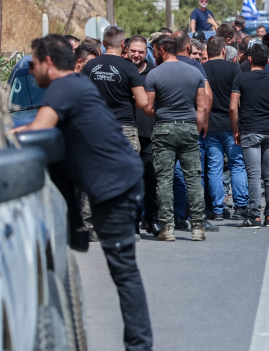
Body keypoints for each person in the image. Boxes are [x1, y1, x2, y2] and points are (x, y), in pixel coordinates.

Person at [13, 35, 153, 350]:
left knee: (124, 272)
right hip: (116, 181)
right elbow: (42, 132)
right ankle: (76, 225)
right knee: (58, 158)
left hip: (116, 187)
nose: (32, 71)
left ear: (48, 62)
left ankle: (140, 346)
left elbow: (37, 130)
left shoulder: (64, 87)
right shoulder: (73, 86)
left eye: (33, 64)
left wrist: (9, 136)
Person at [143, 36, 209, 242]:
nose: (152, 54)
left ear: (162, 50)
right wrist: (195, 128)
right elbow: (203, 107)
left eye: (154, 50)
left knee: (164, 179)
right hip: (189, 128)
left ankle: (167, 227)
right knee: (193, 179)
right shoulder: (195, 72)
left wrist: (161, 114)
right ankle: (197, 227)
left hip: (164, 129)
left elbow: (147, 107)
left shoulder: (153, 74)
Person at [231, 43, 269, 228]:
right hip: (268, 132)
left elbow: (233, 107)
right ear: (267, 61)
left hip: (249, 130)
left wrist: (235, 130)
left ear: (250, 59)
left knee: (254, 175)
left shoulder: (241, 79)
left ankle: (255, 215)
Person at [83, 26, 148, 152]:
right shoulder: (129, 68)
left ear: (103, 43)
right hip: (124, 128)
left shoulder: (90, 65)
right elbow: (143, 102)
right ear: (123, 43)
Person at [203, 36, 247, 220]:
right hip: (231, 124)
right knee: (237, 165)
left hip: (210, 125)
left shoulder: (201, 68)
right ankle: (240, 206)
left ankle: (218, 208)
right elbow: (241, 95)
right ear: (223, 51)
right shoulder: (233, 68)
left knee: (215, 167)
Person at [129, 35, 160, 237]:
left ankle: (151, 219)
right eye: (133, 51)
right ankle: (132, 222)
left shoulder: (154, 73)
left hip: (149, 133)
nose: (137, 55)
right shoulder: (123, 70)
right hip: (128, 132)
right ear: (127, 49)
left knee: (151, 180)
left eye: (141, 51)